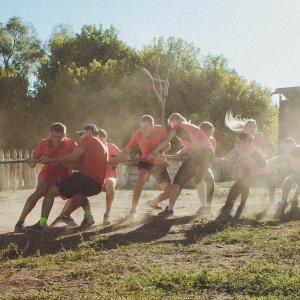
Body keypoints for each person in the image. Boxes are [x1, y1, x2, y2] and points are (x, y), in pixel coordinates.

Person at [25, 123, 108, 232]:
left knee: (51, 191)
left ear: (89, 132)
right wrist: (60, 163)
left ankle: (42, 223)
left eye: (82, 134)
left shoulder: (88, 139)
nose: (81, 137)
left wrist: (50, 160)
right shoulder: (103, 145)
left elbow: (72, 157)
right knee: (80, 193)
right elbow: (80, 163)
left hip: (85, 177)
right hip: (97, 184)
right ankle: (88, 217)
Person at [147, 113, 215, 217]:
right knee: (197, 178)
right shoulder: (188, 127)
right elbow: (189, 146)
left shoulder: (178, 125)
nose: (170, 125)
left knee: (178, 180)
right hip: (208, 153)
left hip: (199, 153)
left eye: (170, 122)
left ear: (173, 120)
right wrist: (176, 155)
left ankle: (170, 209)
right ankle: (203, 207)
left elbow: (166, 141)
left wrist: (154, 152)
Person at [54, 128, 126, 226]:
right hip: (95, 179)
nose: (83, 138)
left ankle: (107, 214)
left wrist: (104, 159)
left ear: (101, 138)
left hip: (109, 177)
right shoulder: (90, 149)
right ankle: (85, 216)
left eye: (84, 135)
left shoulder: (109, 146)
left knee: (109, 182)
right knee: (79, 191)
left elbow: (124, 158)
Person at [14, 122, 77, 233]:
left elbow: (78, 164)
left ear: (64, 135)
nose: (56, 140)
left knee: (79, 191)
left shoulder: (71, 144)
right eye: (53, 136)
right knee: (41, 190)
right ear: (50, 134)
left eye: (59, 137)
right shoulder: (42, 143)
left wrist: (59, 163)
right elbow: (32, 164)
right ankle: (20, 222)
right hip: (48, 173)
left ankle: (80, 216)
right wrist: (31, 162)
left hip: (66, 174)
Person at [122, 115, 172, 218]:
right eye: (141, 127)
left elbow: (168, 145)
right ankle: (133, 209)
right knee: (141, 177)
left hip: (160, 163)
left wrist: (161, 152)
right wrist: (116, 157)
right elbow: (126, 150)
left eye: (145, 128)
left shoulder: (161, 129)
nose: (142, 130)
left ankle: (152, 203)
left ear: (152, 126)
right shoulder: (136, 134)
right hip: (145, 161)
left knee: (169, 193)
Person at [217, 132, 273, 219]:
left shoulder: (251, 150)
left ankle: (231, 209)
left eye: (239, 143)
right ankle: (231, 208)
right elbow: (235, 155)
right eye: (236, 142)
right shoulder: (242, 148)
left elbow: (237, 162)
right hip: (253, 172)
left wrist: (222, 161)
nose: (237, 144)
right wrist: (223, 160)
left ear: (247, 143)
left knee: (239, 186)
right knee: (238, 187)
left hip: (264, 175)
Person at [268, 138, 300, 217]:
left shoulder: (296, 149)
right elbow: (286, 162)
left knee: (287, 182)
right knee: (294, 181)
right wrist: (274, 166)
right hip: (298, 173)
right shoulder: (294, 151)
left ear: (290, 144)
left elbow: (280, 158)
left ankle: (283, 202)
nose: (283, 148)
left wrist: (267, 162)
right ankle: (294, 199)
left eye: (284, 146)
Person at [196, 122, 216, 214]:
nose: (209, 134)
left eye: (210, 132)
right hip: (195, 164)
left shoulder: (212, 141)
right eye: (207, 132)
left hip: (205, 165)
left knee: (211, 180)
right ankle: (202, 205)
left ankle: (208, 205)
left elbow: (211, 156)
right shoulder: (195, 139)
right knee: (198, 179)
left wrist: (206, 166)